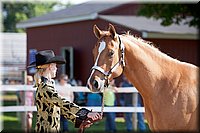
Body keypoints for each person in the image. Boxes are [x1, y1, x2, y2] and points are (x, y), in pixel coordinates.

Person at [28, 50, 101, 132]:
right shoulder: (44, 87)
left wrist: (78, 121)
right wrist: (85, 113)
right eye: (55, 66)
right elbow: (62, 102)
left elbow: (60, 108)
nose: (56, 69)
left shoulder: (48, 85)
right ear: (50, 67)